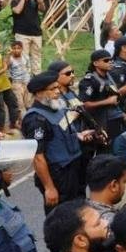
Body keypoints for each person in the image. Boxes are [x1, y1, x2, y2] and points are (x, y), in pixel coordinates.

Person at [21, 71, 96, 217]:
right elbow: (38, 157)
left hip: (74, 167)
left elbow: (60, 134)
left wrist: (78, 136)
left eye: (57, 87)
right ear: (39, 93)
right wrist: (49, 187)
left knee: (77, 213)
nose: (58, 92)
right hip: (59, 175)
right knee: (60, 217)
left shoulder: (57, 108)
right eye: (52, 89)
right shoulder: (36, 119)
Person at [79, 49, 126, 145]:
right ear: (96, 63)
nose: (110, 62)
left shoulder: (109, 76)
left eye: (111, 60)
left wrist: (121, 112)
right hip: (102, 122)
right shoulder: (89, 81)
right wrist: (107, 101)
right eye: (106, 60)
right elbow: (84, 104)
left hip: (115, 117)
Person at [10, 0, 44, 75]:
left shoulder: (33, 1)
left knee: (37, 56)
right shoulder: (15, 1)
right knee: (24, 57)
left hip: (36, 33)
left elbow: (42, 9)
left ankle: (37, 76)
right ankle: (25, 78)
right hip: (22, 33)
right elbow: (17, 11)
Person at [0, 36, 19, 134]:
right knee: (0, 109)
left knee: (13, 102)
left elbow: (5, 64)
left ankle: (13, 123)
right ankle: (1, 128)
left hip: (5, 84)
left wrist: (8, 55)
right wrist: (4, 69)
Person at [6, 40, 31, 122]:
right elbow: (6, 67)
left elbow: (28, 67)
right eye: (14, 48)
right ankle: (24, 122)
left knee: (28, 103)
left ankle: (30, 120)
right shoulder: (11, 59)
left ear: (22, 49)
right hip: (17, 84)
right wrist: (8, 55)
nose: (16, 50)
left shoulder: (25, 57)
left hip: (26, 83)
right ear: (12, 49)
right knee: (20, 105)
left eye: (18, 48)